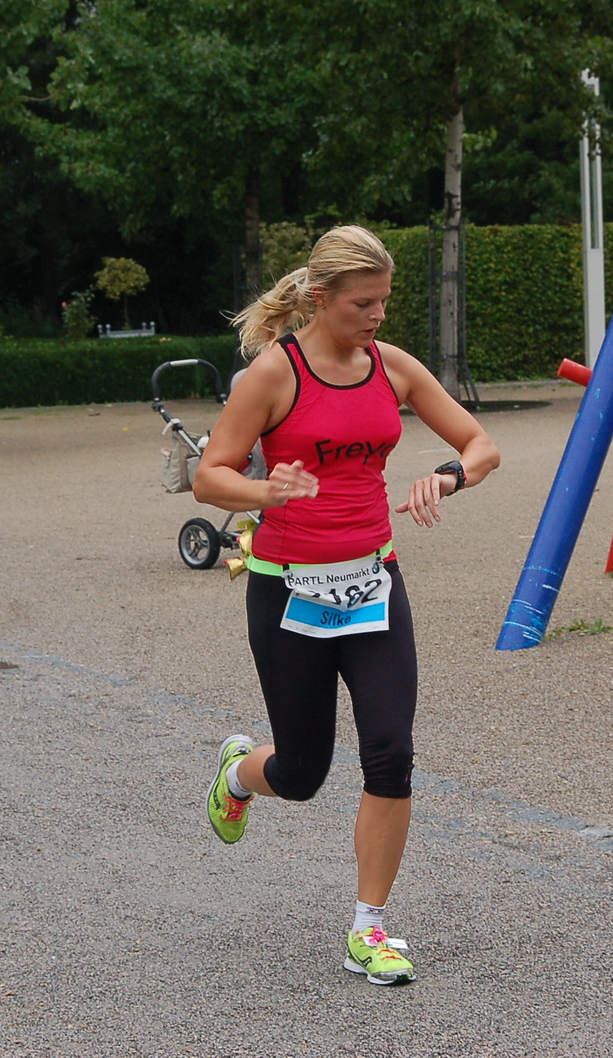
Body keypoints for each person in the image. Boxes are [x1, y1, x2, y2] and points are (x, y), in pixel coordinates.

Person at [193, 225, 500, 985]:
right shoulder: (272, 375)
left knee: (391, 751)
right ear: (321, 298)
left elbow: (480, 444)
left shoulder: (392, 369)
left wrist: (447, 475)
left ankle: (370, 927)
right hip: (289, 585)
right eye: (364, 303)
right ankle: (240, 774)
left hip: (373, 583)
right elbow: (209, 477)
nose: (378, 317)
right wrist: (267, 490)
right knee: (302, 772)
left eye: (385, 302)